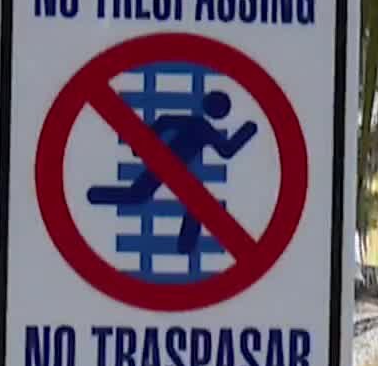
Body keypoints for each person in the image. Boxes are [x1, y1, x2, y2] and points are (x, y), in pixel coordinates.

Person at [87, 90, 257, 254]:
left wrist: (248, 130)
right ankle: (185, 246)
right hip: (167, 163)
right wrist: (248, 130)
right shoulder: (200, 125)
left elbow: (164, 121)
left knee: (143, 195)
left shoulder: (199, 124)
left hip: (168, 165)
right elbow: (226, 150)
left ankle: (186, 246)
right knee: (189, 203)